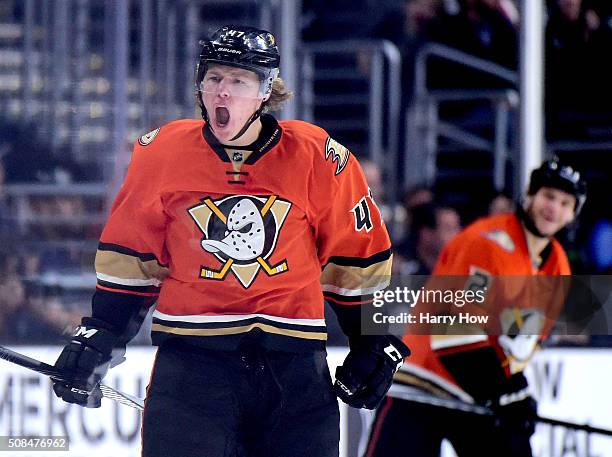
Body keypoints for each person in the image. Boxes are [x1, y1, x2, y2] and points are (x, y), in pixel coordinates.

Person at [50, 25, 409, 457]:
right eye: (214, 78)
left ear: (265, 92)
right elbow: (132, 258)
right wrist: (101, 332)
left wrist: (370, 340)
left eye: (239, 81)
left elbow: (357, 258)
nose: (223, 92)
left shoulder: (318, 156)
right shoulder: (161, 152)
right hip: (192, 372)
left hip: (293, 375)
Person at [365, 158, 586, 457]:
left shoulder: (558, 266)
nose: (553, 208)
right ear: (531, 195)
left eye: (564, 203)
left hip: (479, 396)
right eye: (548, 196)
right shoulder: (487, 243)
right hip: (424, 383)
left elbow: (523, 342)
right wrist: (504, 391)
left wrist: (513, 389)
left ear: (573, 213)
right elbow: (452, 328)